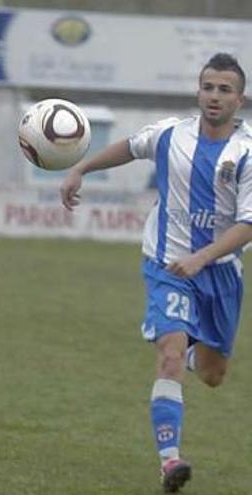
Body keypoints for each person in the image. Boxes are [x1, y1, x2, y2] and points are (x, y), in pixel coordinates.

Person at [60, 53, 252, 494]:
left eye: (224, 89)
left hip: (220, 273)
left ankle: (187, 344)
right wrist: (80, 167)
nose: (214, 96)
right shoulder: (170, 134)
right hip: (167, 265)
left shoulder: (246, 154)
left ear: (239, 100)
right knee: (168, 356)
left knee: (213, 375)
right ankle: (170, 462)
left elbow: (247, 225)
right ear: (198, 92)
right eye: (207, 87)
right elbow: (129, 147)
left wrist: (202, 258)